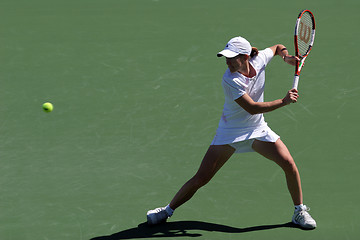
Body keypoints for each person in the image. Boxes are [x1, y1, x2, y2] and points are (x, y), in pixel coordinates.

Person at [146, 36, 317, 229]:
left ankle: (299, 211)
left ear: (245, 57)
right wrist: (283, 101)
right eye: (225, 57)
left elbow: (278, 47)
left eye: (231, 57)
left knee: (289, 164)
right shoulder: (230, 79)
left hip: (257, 129)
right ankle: (166, 211)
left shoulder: (259, 59)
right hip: (230, 133)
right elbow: (252, 108)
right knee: (201, 178)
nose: (227, 62)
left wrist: (285, 57)